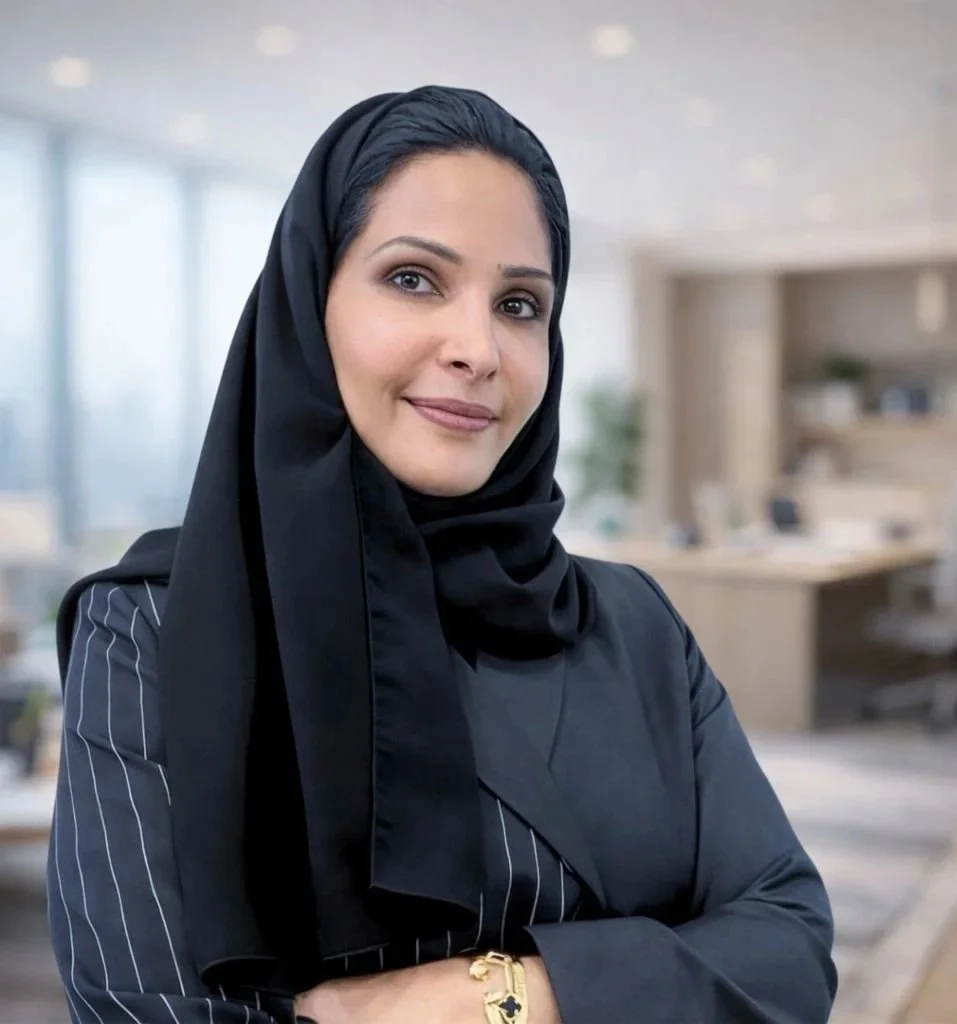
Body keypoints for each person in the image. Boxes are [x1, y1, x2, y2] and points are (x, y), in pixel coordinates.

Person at [48, 85, 837, 1024]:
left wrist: (501, 993)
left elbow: (788, 945)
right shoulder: (154, 621)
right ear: (310, 303)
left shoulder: (631, 623)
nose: (479, 347)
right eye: (413, 278)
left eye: (518, 303)